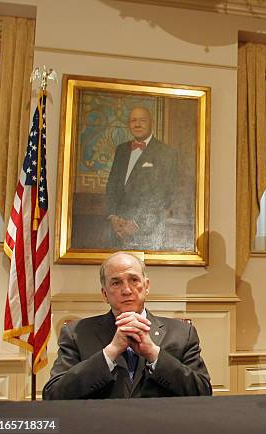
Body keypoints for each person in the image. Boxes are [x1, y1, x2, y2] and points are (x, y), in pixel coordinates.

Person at [43, 252, 212, 399]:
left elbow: (202, 391)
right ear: (104, 294)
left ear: (146, 286)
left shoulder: (182, 333)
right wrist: (109, 353)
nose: (126, 290)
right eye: (116, 283)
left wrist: (154, 354)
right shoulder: (76, 334)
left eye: (134, 280)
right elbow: (53, 394)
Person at [105, 106, 178, 250]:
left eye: (142, 120)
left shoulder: (166, 152)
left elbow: (165, 194)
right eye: (133, 120)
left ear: (152, 123)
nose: (137, 124)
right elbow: (112, 185)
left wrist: (137, 223)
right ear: (128, 125)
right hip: (117, 232)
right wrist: (113, 217)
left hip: (148, 232)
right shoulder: (121, 150)